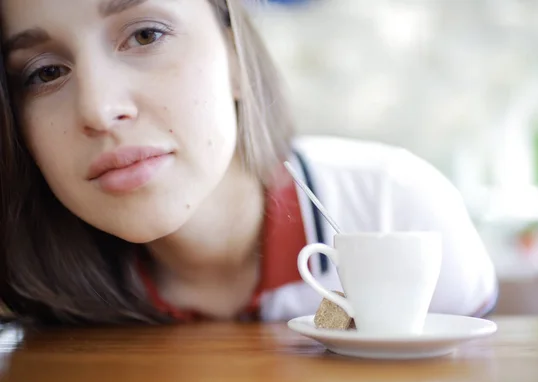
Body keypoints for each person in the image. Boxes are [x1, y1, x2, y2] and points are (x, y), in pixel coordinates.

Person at [0, 0, 497, 325]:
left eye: (146, 35)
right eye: (45, 73)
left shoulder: (397, 207)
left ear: (236, 57)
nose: (98, 109)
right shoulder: (34, 284)